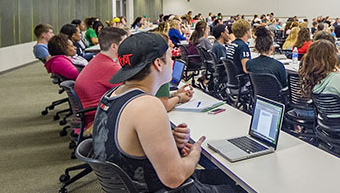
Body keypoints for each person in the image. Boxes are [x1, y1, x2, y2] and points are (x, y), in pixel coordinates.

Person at [92, 33, 235, 192]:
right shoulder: (147, 106)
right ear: (158, 63)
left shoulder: (112, 96)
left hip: (139, 183)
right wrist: (195, 154)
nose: (172, 63)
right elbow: (175, 177)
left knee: (226, 178)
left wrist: (170, 140)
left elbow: (129, 149)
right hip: (162, 187)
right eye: (170, 58)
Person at [75, 27, 130, 129]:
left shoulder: (99, 60)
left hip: (96, 113)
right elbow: (132, 90)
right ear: (114, 47)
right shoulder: (109, 67)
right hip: (100, 119)